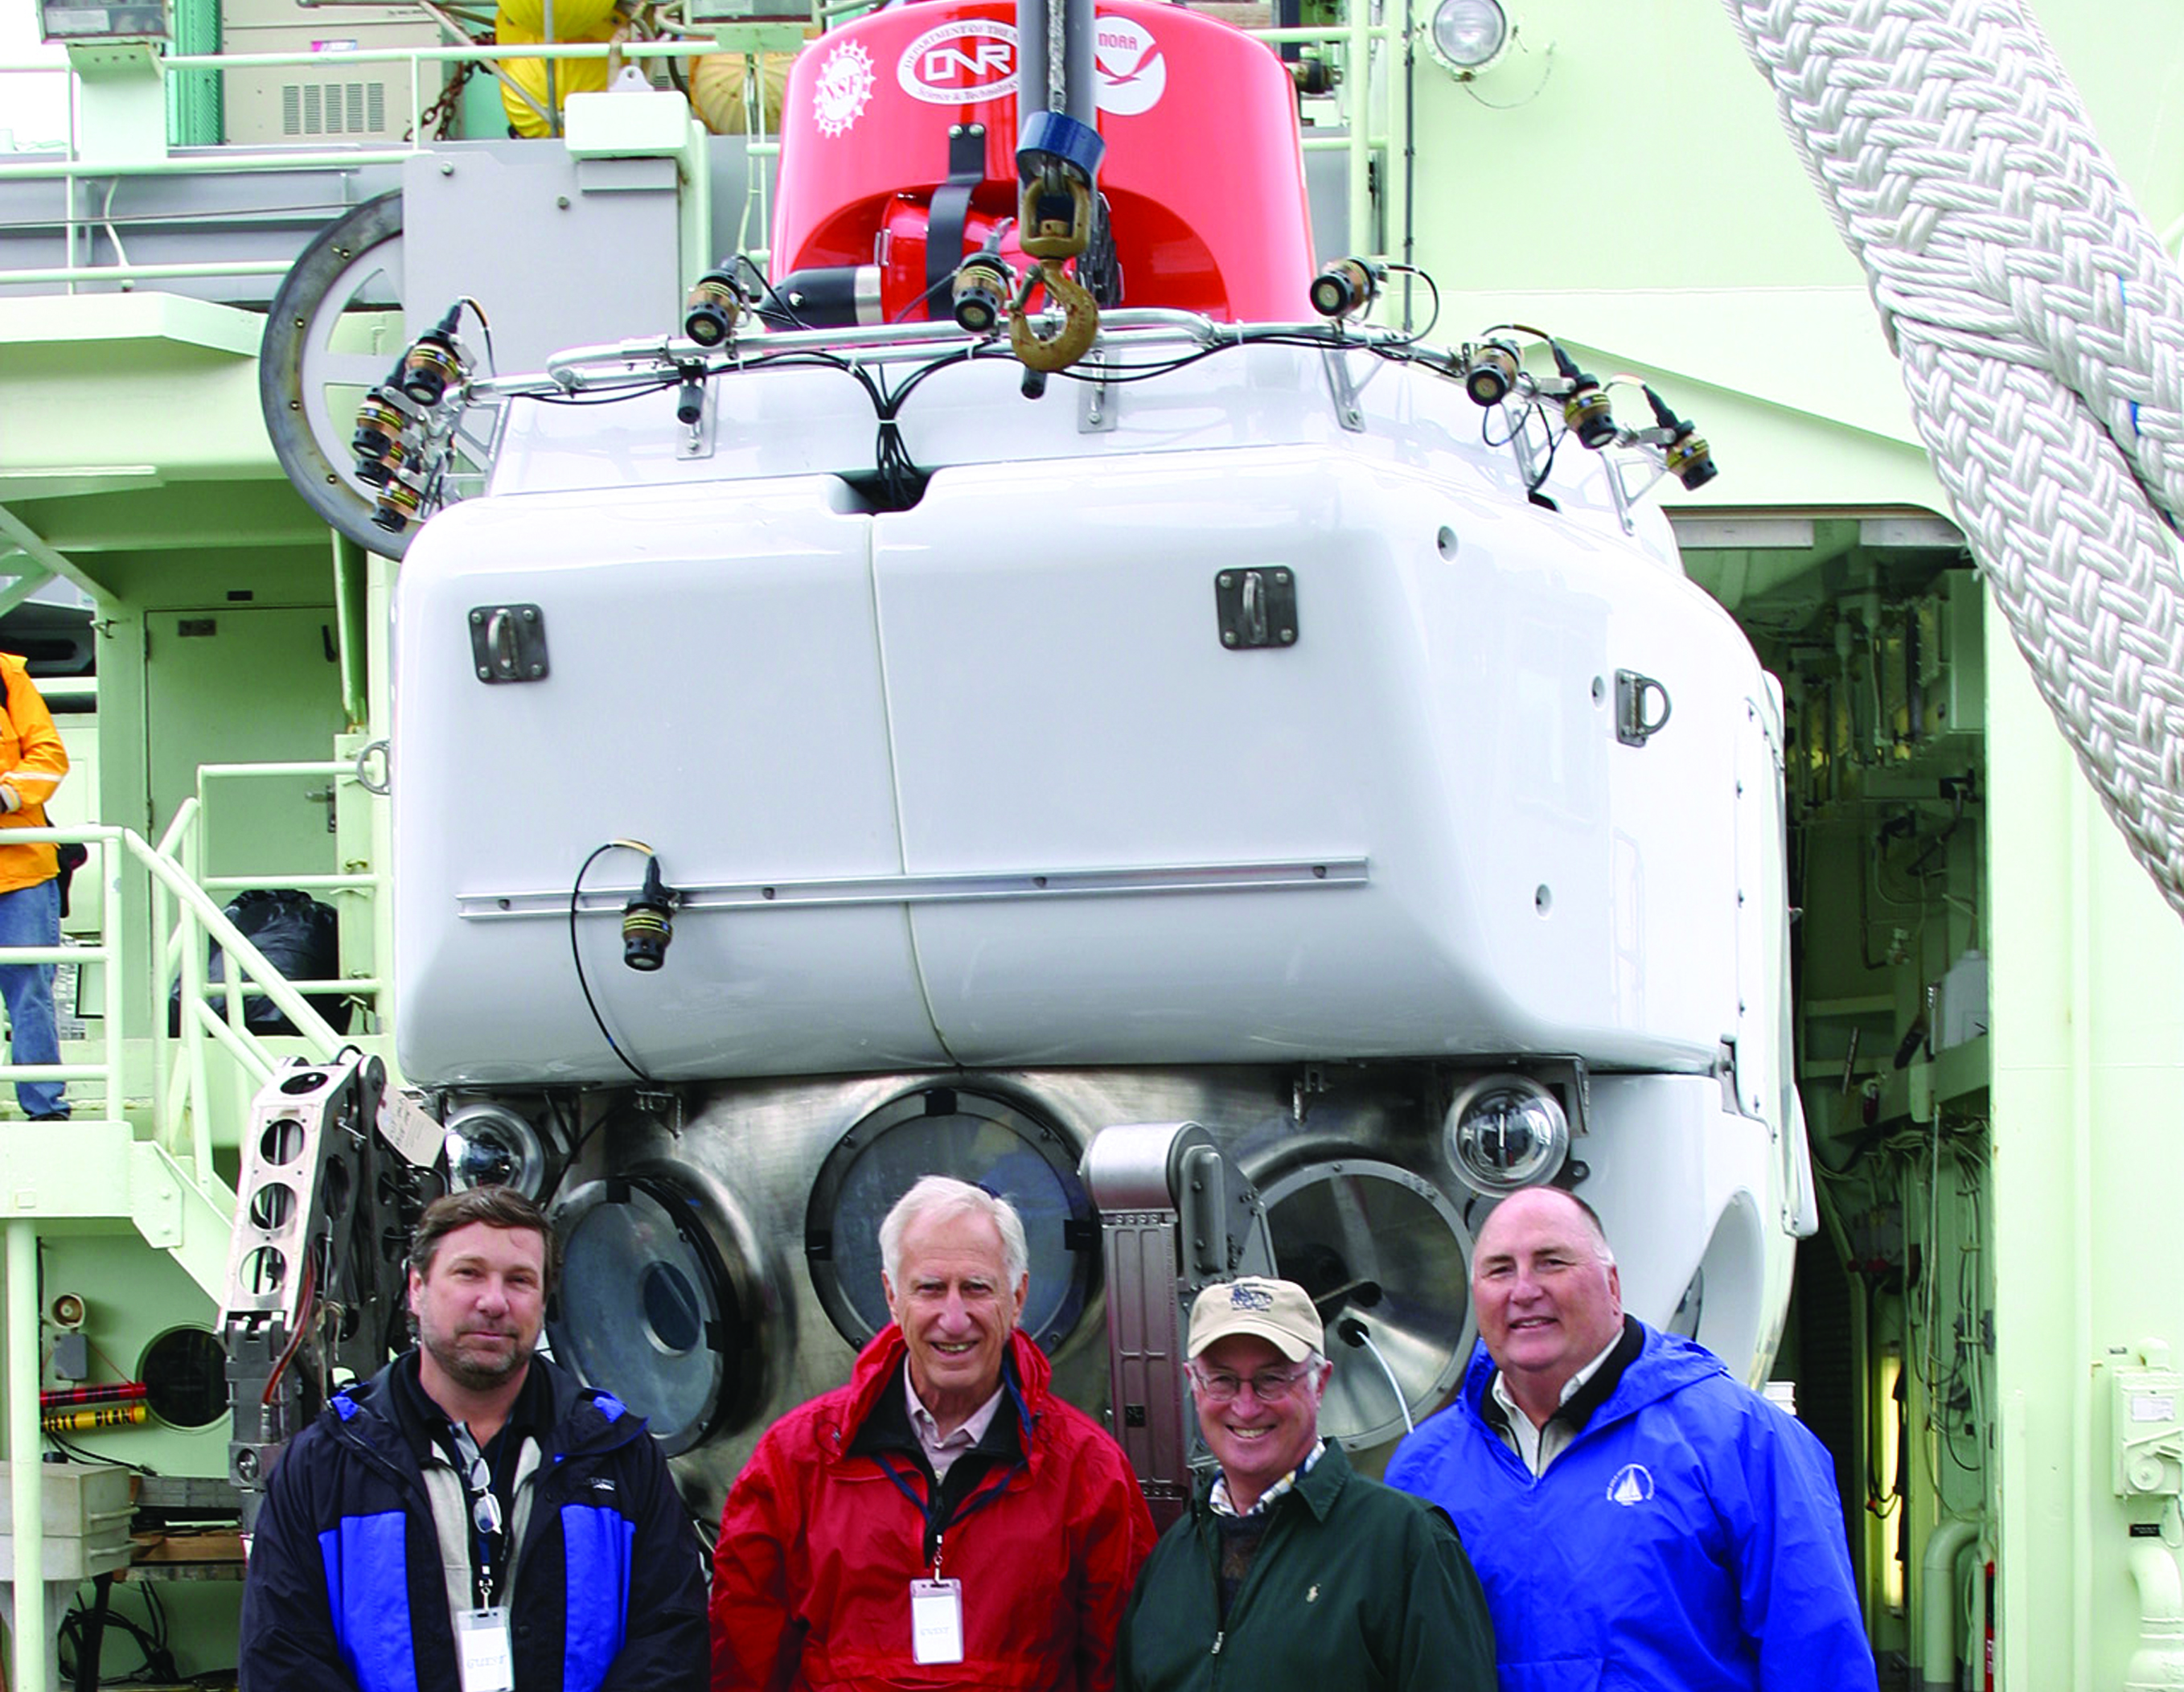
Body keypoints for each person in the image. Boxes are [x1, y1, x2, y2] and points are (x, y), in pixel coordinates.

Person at [1384, 1186, 1879, 1692]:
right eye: (1499, 1270)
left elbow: (1819, 1657)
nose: (1524, 1289)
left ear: (1613, 1285)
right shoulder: (1422, 1469)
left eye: (1552, 1262)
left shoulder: (1741, 1439)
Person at [239, 1186, 708, 1692]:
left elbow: (670, 1641)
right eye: (469, 1273)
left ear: (545, 1299)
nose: (493, 1301)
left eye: (520, 1280)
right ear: (417, 1287)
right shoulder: (328, 1462)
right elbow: (283, 1656)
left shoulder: (617, 1454)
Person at [711, 1174, 1156, 1692]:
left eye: (976, 1288)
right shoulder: (795, 1461)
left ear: (1017, 1298)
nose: (953, 1318)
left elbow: (1119, 1667)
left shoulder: (1088, 1470)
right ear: (891, 1297)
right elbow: (746, 1660)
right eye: (929, 1288)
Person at [1115, 1275, 1497, 1692]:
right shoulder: (1169, 1560)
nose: (1245, 1406)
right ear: (1193, 1383)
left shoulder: (1407, 1545)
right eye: (1223, 1379)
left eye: (1272, 1378)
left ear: (1321, 1383)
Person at [0, 653, 68, 1122]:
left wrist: (3, 796)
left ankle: (44, 1109)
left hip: (21, 868)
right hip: (22, 868)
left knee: (29, 992)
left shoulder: (6, 674)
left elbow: (48, 756)